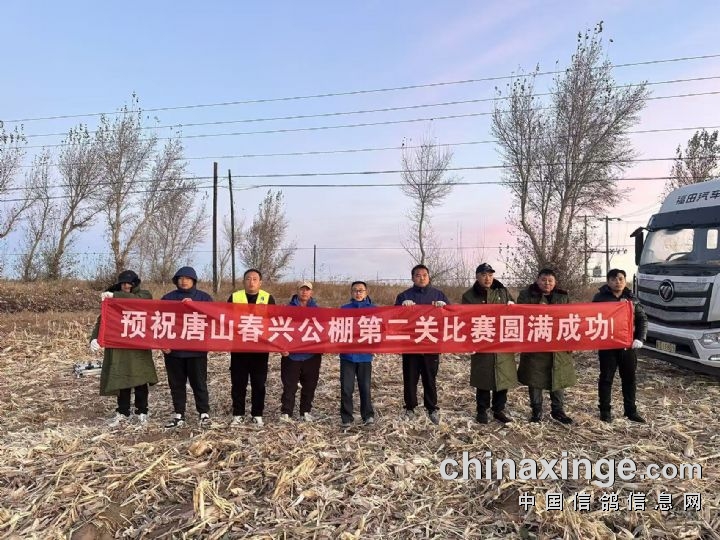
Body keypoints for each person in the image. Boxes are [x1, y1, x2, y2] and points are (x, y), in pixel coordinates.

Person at [89, 270, 158, 427]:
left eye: (129, 283)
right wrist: (94, 338)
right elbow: (102, 320)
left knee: (140, 379)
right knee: (121, 378)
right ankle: (122, 411)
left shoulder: (144, 295)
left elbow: (137, 302)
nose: (126, 286)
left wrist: (115, 296)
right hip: (119, 346)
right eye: (123, 283)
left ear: (135, 284)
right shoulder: (112, 301)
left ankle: (142, 411)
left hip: (138, 346)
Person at [517, 268, 576, 424]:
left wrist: (570, 342)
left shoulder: (563, 296)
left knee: (558, 377)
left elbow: (570, 318)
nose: (547, 283)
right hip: (535, 345)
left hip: (558, 345)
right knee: (535, 379)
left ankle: (558, 410)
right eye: (543, 280)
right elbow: (521, 316)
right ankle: (536, 410)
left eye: (550, 280)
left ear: (555, 282)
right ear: (537, 280)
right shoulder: (526, 295)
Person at [461, 263, 517, 424]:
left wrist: (513, 307)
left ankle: (498, 410)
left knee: (503, 377)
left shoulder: (502, 291)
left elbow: (515, 314)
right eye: (484, 275)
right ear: (477, 276)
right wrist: (469, 342)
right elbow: (465, 320)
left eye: (490, 275)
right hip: (482, 341)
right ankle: (482, 410)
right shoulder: (469, 296)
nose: (488, 278)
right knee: (483, 378)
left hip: (502, 342)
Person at [394, 264, 450, 425]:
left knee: (430, 378)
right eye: (418, 275)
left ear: (429, 277)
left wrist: (444, 308)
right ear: (412, 278)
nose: (422, 278)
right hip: (410, 345)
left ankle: (431, 408)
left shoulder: (438, 295)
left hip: (431, 344)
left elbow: (451, 316)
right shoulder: (404, 296)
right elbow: (395, 318)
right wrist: (402, 308)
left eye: (424, 275)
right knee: (410, 378)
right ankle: (410, 407)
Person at [161, 266, 214, 428]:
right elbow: (159, 321)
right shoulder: (167, 298)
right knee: (176, 383)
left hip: (197, 350)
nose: (184, 281)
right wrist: (162, 343)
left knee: (199, 383)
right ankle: (179, 414)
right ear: (176, 281)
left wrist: (197, 307)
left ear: (194, 280)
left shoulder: (204, 298)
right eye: (181, 278)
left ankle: (203, 413)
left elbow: (213, 319)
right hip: (174, 351)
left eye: (188, 278)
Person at [592, 269, 648, 423]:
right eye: (614, 279)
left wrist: (640, 338)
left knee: (629, 379)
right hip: (608, 345)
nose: (618, 282)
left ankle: (630, 411)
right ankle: (605, 411)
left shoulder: (632, 298)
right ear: (608, 281)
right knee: (606, 378)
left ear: (625, 280)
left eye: (621, 279)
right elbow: (591, 318)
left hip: (627, 346)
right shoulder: (600, 298)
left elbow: (642, 319)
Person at [228, 269, 276, 427]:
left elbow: (274, 321)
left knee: (259, 383)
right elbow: (224, 318)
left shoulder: (268, 298)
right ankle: (238, 414)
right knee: (238, 383)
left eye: (255, 279)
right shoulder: (234, 297)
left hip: (260, 349)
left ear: (260, 282)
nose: (251, 282)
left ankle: (257, 414)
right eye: (248, 279)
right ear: (243, 281)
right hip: (239, 348)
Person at [280, 281, 323, 422]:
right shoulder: (287, 309)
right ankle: (286, 412)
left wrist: (323, 348)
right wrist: (281, 347)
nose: (304, 292)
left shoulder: (317, 310)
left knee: (309, 385)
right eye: (302, 289)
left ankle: (305, 411)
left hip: (311, 355)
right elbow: (280, 329)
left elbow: (324, 331)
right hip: (291, 355)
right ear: (297, 291)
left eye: (307, 289)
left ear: (311, 292)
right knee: (289, 386)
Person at [339, 281, 376, 427]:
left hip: (365, 356)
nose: (358, 293)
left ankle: (368, 415)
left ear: (366, 292)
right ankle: (346, 418)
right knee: (346, 388)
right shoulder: (344, 309)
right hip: (347, 356)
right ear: (351, 292)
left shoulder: (374, 310)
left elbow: (382, 329)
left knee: (365, 387)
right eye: (355, 290)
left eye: (361, 290)